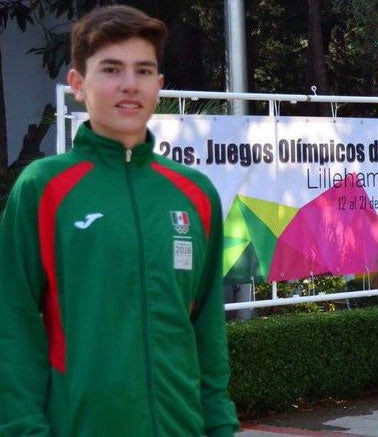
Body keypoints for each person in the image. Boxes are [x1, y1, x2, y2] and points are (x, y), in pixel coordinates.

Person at [0, 5, 239, 436]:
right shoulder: (43, 189)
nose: (130, 85)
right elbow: (12, 323)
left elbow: (206, 327)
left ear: (159, 85)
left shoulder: (195, 194)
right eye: (111, 69)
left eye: (144, 71)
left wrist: (220, 423)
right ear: (78, 84)